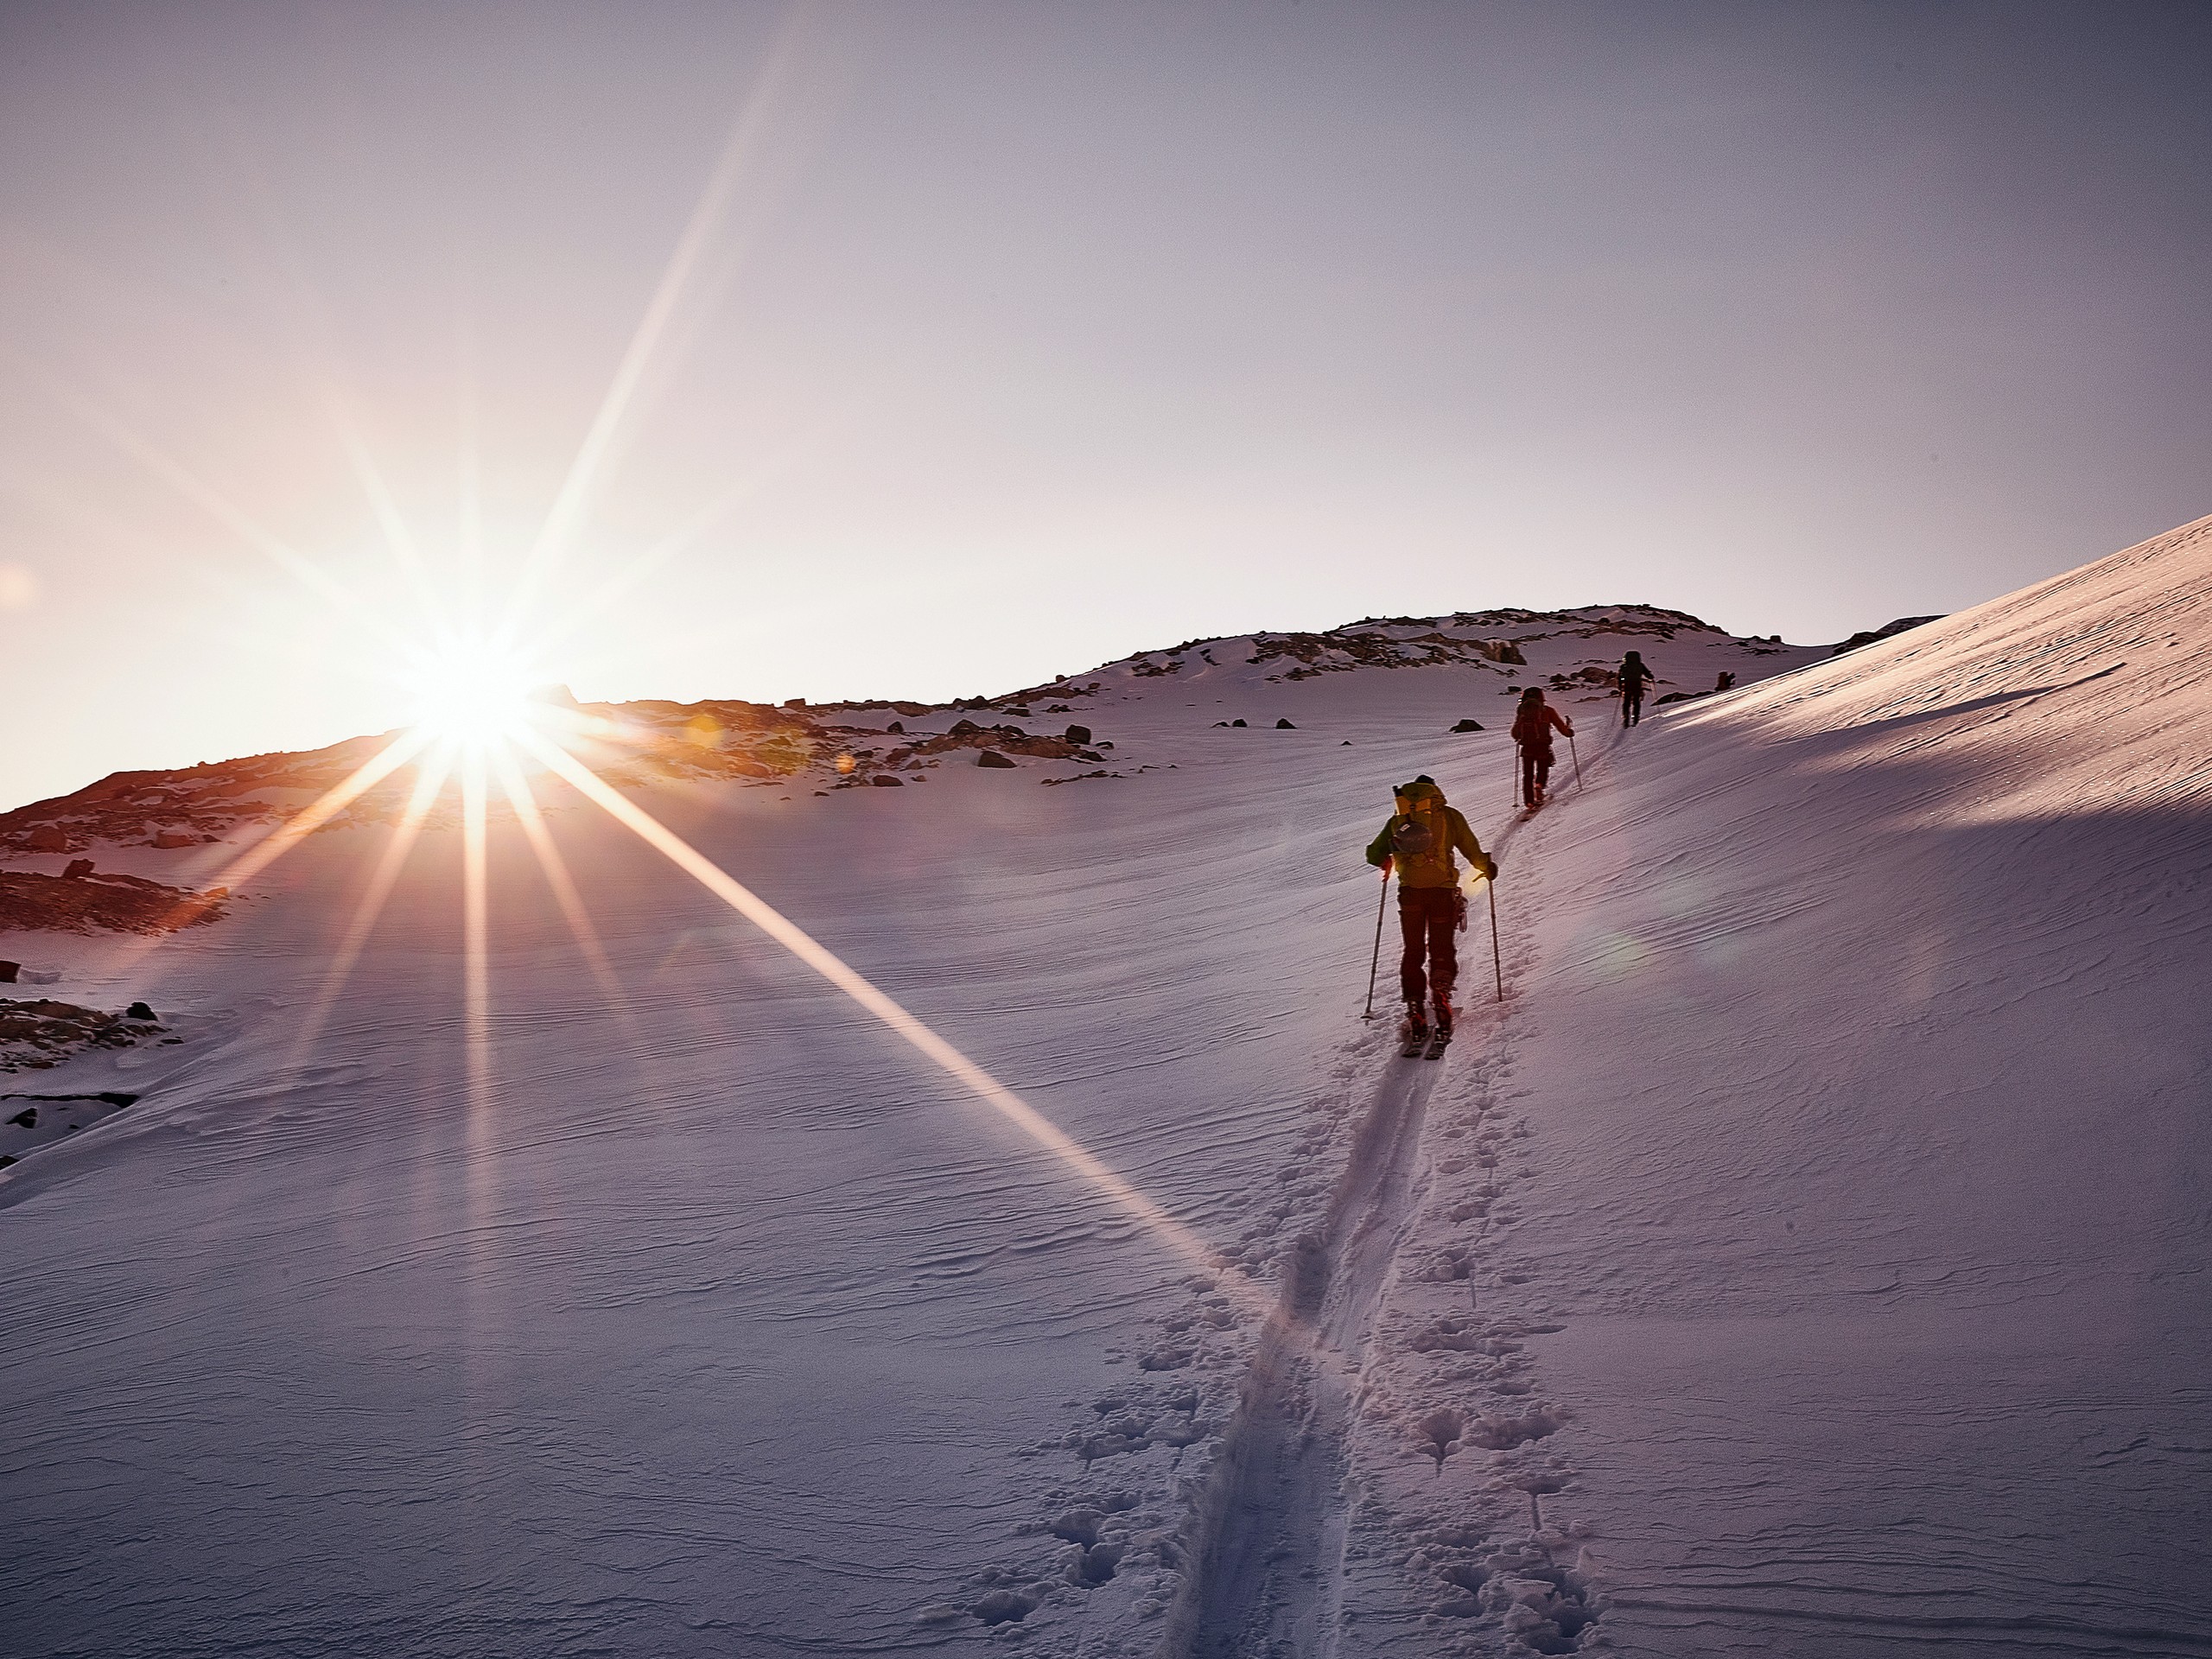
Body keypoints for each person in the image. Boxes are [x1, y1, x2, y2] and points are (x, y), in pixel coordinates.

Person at [1364, 776, 1494, 1044]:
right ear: (1435, 793)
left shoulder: (1398, 820)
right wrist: (1486, 867)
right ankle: (1441, 994)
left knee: (1413, 950)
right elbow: (1471, 849)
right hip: (1442, 892)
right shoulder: (1448, 816)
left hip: (1410, 893)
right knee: (1441, 946)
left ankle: (1414, 1006)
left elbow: (1372, 855)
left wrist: (1389, 855)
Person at [1510, 689, 1573, 807]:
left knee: (1527, 774)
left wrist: (1519, 736)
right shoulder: (1547, 711)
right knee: (1542, 769)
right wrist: (1569, 733)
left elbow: (1515, 732)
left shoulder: (1522, 712)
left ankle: (1529, 801)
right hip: (1542, 746)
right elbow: (1559, 725)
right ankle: (1539, 785)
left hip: (1527, 748)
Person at [1618, 651, 1654, 727]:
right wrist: (1651, 678)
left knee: (1626, 702)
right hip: (1637, 685)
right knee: (1636, 702)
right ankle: (1635, 718)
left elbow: (1620, 677)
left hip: (1627, 686)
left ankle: (1626, 718)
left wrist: (1620, 686)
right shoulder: (1640, 665)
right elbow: (1647, 674)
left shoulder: (1624, 666)